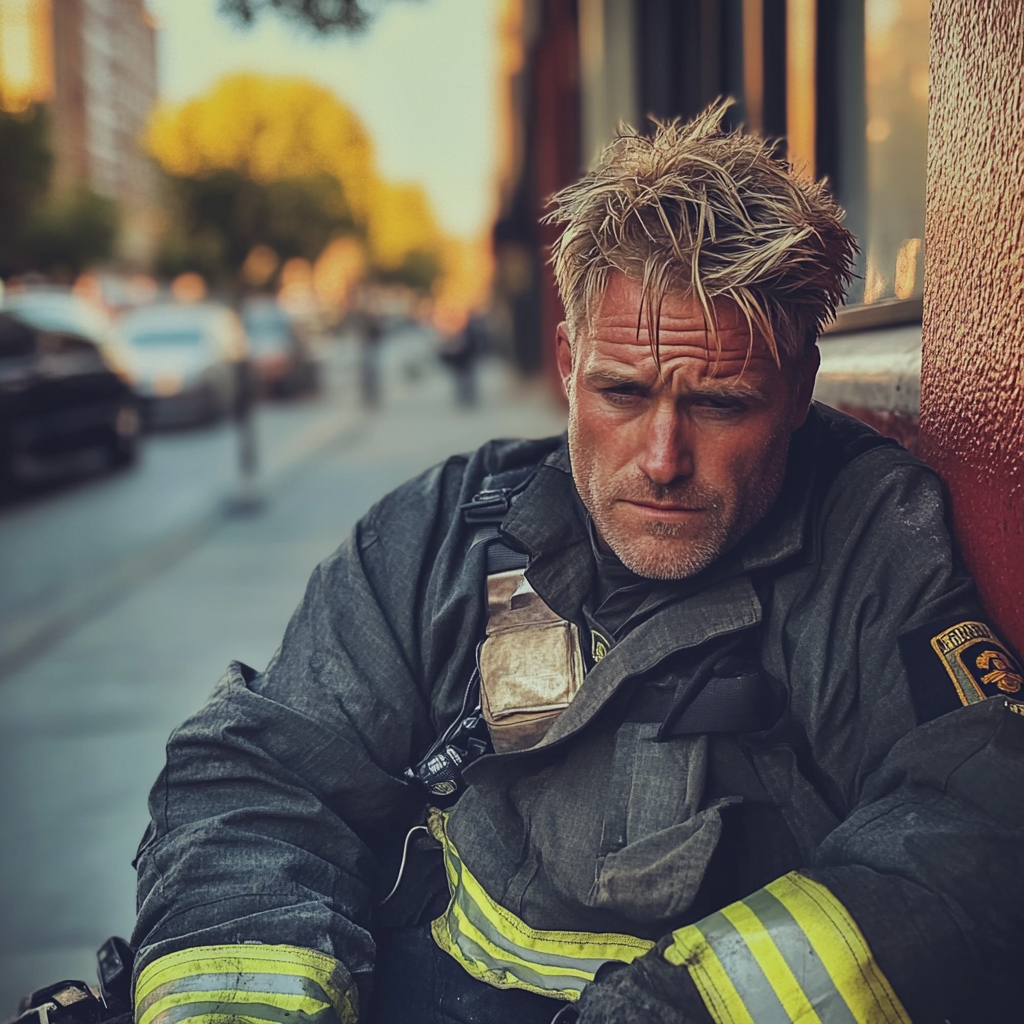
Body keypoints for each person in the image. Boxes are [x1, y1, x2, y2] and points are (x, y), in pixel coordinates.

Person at [127, 105, 1024, 1024]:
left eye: (720, 405)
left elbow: (975, 826)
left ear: (798, 390)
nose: (662, 457)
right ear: (568, 365)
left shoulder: (872, 543)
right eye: (622, 393)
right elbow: (261, 775)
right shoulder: (444, 533)